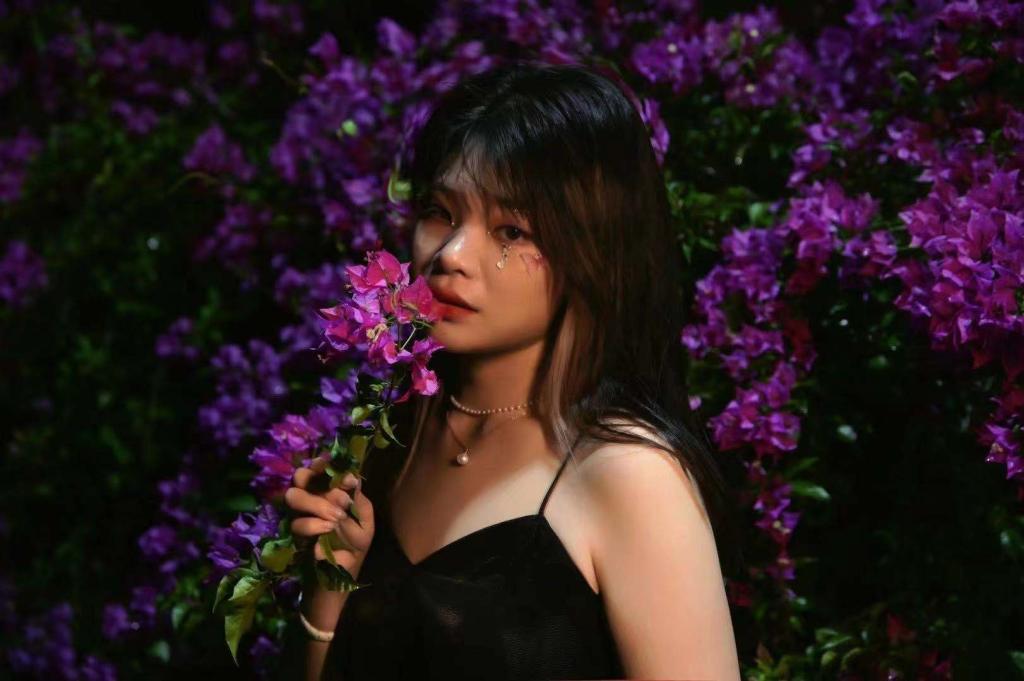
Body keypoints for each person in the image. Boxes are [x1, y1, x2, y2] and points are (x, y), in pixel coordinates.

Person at [284, 59, 744, 681]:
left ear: (597, 249)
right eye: (441, 212)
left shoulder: (631, 477)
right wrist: (328, 587)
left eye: (511, 230)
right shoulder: (392, 437)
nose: (452, 255)